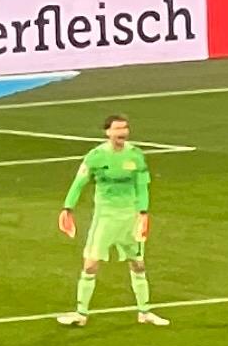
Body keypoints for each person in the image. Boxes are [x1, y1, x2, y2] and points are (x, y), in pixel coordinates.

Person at [57, 112, 161, 328]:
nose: (123, 132)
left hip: (130, 217)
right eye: (118, 128)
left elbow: (142, 186)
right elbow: (79, 183)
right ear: (108, 132)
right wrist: (68, 207)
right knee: (91, 263)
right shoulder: (95, 157)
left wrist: (143, 212)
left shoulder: (136, 155)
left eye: (125, 128)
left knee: (138, 263)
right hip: (105, 217)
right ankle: (81, 314)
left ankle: (144, 312)